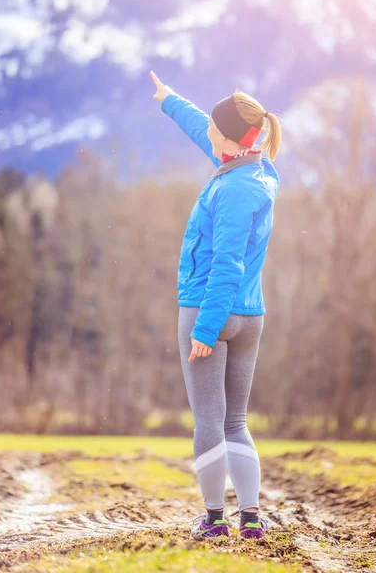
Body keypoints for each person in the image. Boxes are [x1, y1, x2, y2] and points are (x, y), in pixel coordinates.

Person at [151, 71, 281, 540]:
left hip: (209, 309)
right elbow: (206, 126)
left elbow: (224, 265)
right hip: (251, 316)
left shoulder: (229, 190)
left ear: (229, 140)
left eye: (213, 130)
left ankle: (213, 520)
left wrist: (204, 331)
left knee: (208, 420)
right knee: (236, 420)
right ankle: (250, 518)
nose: (207, 132)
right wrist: (170, 101)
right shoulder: (256, 171)